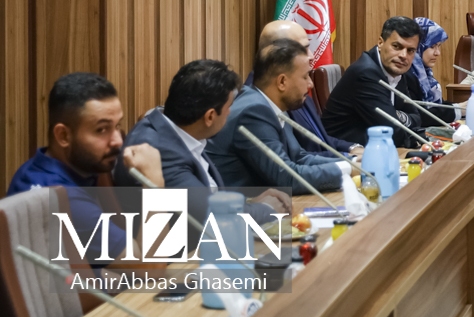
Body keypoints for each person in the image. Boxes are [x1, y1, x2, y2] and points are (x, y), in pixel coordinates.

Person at [112, 60, 291, 245]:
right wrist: (267, 209)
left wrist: (249, 202)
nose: (230, 112)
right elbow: (214, 217)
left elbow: (202, 195)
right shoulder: (160, 149)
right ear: (210, 116)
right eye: (229, 107)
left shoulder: (177, 129)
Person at [7, 74, 163, 260]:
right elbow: (150, 267)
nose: (118, 141)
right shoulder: (64, 197)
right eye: (101, 130)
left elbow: (122, 234)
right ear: (63, 136)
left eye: (117, 126)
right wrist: (155, 183)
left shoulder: (56, 166)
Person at [207, 40, 346, 194]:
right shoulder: (254, 111)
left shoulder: (270, 103)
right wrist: (346, 171)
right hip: (236, 205)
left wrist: (351, 163)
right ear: (282, 82)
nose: (310, 84)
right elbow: (286, 178)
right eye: (305, 76)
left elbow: (298, 157)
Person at [323, 16, 449, 146]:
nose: (403, 56)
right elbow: (391, 132)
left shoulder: (396, 68)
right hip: (343, 150)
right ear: (380, 43)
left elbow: (416, 117)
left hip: (377, 145)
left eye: (410, 50)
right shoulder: (366, 73)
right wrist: (404, 124)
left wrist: (397, 116)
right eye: (396, 46)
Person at [253, 21, 359, 158]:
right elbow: (296, 158)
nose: (311, 55)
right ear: (278, 52)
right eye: (303, 49)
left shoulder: (299, 87)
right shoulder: (264, 102)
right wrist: (349, 159)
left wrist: (352, 148)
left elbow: (321, 139)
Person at [412, 17, 449, 103]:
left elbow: (440, 108)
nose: (437, 53)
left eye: (438, 46)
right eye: (432, 46)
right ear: (417, 46)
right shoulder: (407, 77)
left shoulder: (426, 75)